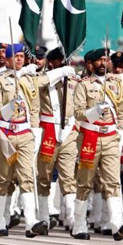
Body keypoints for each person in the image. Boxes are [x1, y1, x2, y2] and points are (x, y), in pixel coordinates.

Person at [0, 44, 47, 238]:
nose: (20, 59)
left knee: (28, 176)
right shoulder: (0, 80)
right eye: (16, 56)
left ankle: (31, 222)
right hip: (7, 133)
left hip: (25, 133)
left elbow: (35, 107)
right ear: (7, 59)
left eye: (22, 56)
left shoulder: (30, 80)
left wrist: (35, 132)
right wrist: (8, 107)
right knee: (4, 177)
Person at [72, 48, 123, 241]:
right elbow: (78, 112)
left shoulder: (115, 83)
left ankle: (117, 224)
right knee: (85, 181)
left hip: (110, 137)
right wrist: (95, 111)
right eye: (100, 60)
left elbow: (121, 110)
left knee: (113, 181)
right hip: (90, 136)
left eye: (106, 60)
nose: (104, 63)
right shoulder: (84, 85)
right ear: (91, 64)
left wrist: (119, 132)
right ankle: (79, 224)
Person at [34, 48, 78, 232]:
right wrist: (59, 72)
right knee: (44, 176)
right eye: (60, 60)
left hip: (69, 131)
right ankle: (43, 216)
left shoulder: (74, 80)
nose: (64, 63)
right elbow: (38, 83)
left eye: (65, 60)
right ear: (51, 62)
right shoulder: (44, 78)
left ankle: (74, 219)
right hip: (48, 132)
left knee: (68, 176)